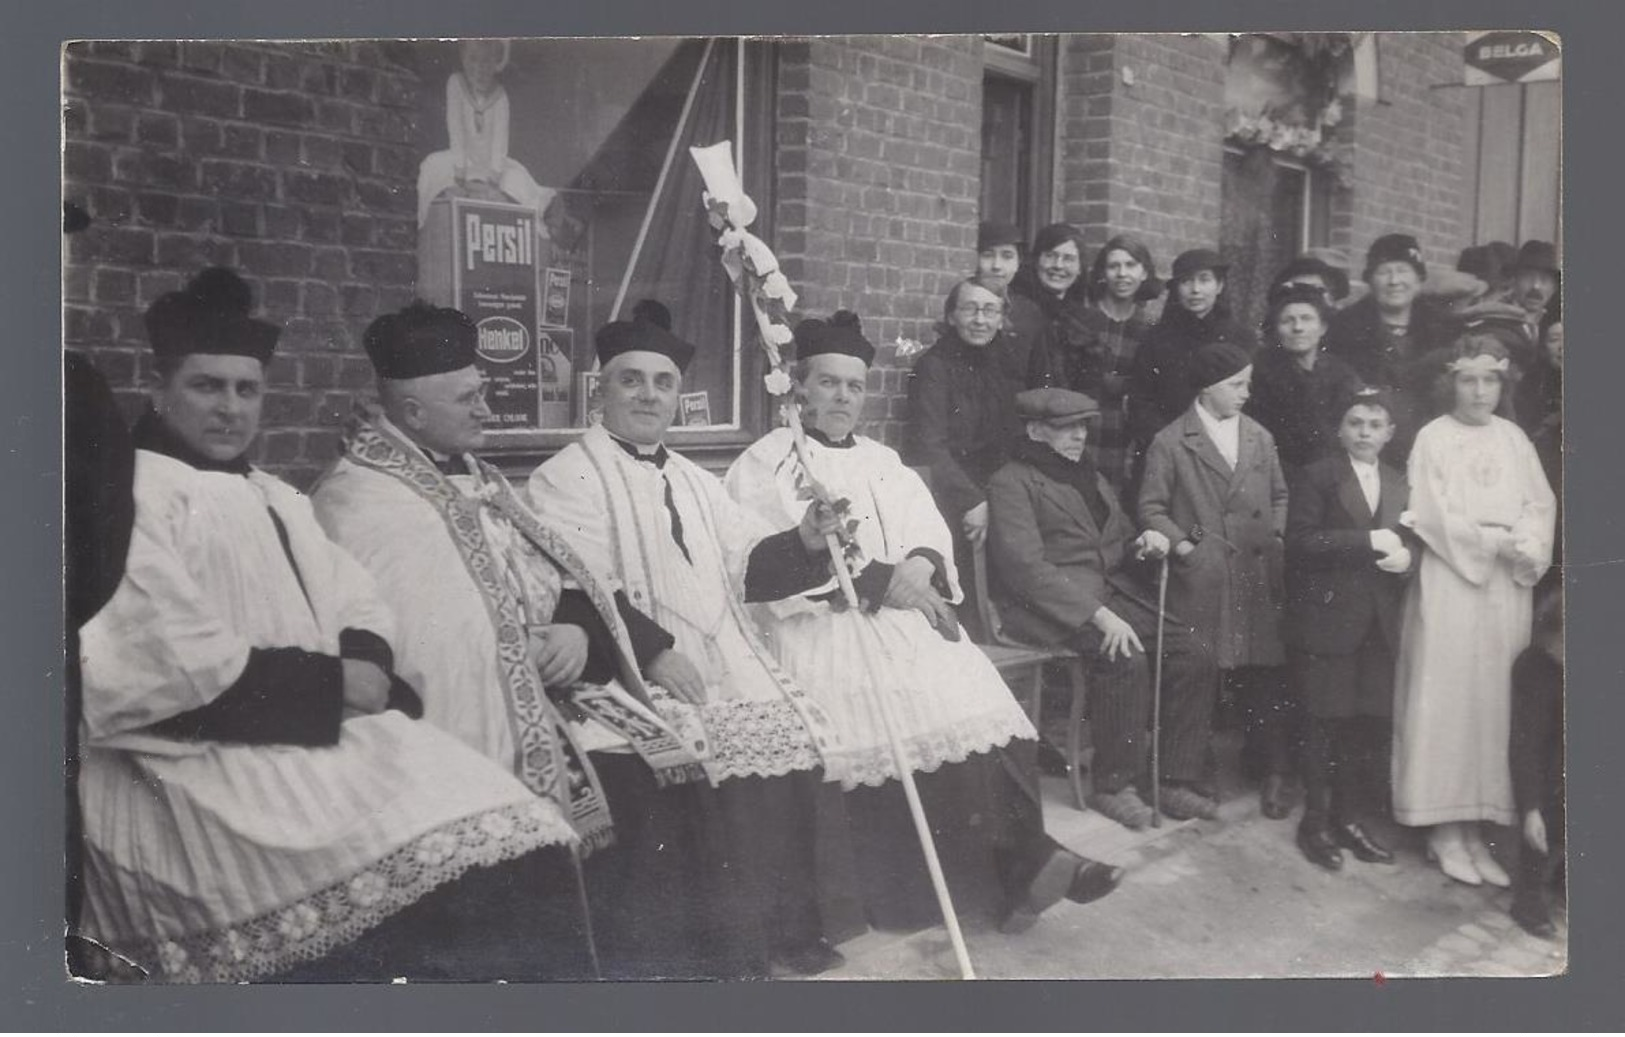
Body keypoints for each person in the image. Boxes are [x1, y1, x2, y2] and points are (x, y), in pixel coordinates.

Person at [75, 268, 585, 983]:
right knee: (453, 865)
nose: (230, 408)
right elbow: (158, 657)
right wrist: (334, 683)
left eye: (246, 389)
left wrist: (366, 661)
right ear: (159, 391)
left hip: (312, 732)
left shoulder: (274, 494)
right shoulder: (134, 494)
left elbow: (357, 596)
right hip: (189, 761)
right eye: (206, 386)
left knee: (520, 830)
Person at [310, 301, 759, 979]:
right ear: (410, 412)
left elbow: (561, 577)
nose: (487, 410)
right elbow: (419, 638)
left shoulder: (476, 476)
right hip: (449, 725)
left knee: (673, 762)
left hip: (544, 690)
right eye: (469, 397)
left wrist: (575, 633)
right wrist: (522, 652)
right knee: (628, 789)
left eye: (482, 392)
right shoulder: (361, 499)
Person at [725, 313, 1123, 933]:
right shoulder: (769, 462)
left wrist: (921, 562)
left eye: (854, 387)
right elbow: (754, 563)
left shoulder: (885, 460)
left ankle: (1027, 868)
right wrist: (883, 580)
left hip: (906, 617)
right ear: (799, 387)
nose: (842, 398)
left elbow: (927, 529)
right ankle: (930, 891)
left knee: (980, 696)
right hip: (821, 623)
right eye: (828, 383)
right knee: (899, 702)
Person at [527, 315, 854, 976]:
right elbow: (577, 582)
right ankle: (725, 948)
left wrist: (806, 540)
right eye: (632, 381)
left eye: (663, 383)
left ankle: (781, 930)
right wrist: (648, 651)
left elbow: (747, 556)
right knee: (684, 756)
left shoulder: (694, 476)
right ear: (600, 390)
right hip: (619, 662)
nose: (648, 395)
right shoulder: (565, 476)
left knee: (791, 734)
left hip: (718, 647)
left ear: (677, 395)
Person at [988, 387, 1218, 829]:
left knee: (1194, 652)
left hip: (1110, 594)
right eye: (1065, 429)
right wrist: (1097, 615)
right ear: (1036, 431)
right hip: (1046, 608)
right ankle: (1113, 785)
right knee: (1123, 656)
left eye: (1081, 427)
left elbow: (1114, 544)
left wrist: (1143, 546)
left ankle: (1172, 779)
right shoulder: (1012, 482)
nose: (1078, 437)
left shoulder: (1087, 476)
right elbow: (1025, 570)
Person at [1392, 334, 1556, 886]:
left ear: (1502, 384)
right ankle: (1442, 830)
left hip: (1505, 588)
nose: (1480, 390)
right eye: (1469, 379)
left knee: (1491, 702)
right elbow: (1428, 513)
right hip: (1452, 579)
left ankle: (1476, 826)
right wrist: (1490, 543)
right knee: (1448, 697)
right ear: (1451, 383)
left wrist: (1528, 544)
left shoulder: (1513, 439)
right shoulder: (1433, 439)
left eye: (1490, 380)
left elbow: (1539, 504)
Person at [1138, 343, 1290, 820]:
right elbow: (1151, 507)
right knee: (1200, 670)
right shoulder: (1172, 440)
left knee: (1262, 671)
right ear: (1208, 387)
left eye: (1247, 383)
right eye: (1236, 384)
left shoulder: (1259, 437)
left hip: (1255, 569)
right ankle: (1189, 767)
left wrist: (1275, 533)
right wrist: (1189, 545)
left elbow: (1280, 493)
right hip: (1205, 569)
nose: (1247, 392)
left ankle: (1270, 770)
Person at [1283, 387, 1412, 872]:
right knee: (1324, 720)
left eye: (1375, 425)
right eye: (1355, 423)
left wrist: (1407, 562)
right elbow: (1299, 543)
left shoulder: (1400, 482)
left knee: (1364, 726)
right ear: (1340, 429)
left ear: (1389, 434)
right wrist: (1365, 541)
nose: (1364, 433)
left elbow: (1411, 541)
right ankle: (1314, 821)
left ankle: (1348, 818)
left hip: (1378, 624)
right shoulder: (1318, 476)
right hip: (1330, 618)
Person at [904, 278, 1027, 637]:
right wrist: (971, 499)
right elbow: (929, 446)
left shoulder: (1001, 365)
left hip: (993, 490)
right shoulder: (934, 367)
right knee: (966, 593)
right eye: (970, 309)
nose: (979, 319)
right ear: (951, 316)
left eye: (990, 310)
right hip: (949, 493)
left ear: (1002, 318)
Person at [1030, 233, 1163, 493]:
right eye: (1113, 266)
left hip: (1124, 433)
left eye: (1130, 265)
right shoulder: (1080, 319)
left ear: (1144, 272)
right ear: (1103, 273)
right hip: (1083, 425)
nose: (1122, 274)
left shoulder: (1150, 329)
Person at [1324, 233, 1460, 462]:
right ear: (1370, 280)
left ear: (1418, 279)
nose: (1394, 281)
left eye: (1403, 270)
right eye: (1384, 272)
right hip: (1368, 450)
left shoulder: (1444, 328)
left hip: (1432, 449)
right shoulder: (1345, 329)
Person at [1129, 248, 1259, 459]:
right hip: (1169, 451)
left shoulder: (1243, 339)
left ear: (1219, 286)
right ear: (1177, 289)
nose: (1195, 289)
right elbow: (1141, 401)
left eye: (1204, 280)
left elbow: (1251, 400)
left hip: (1225, 450)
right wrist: (1171, 444)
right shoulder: (1156, 339)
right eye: (1186, 281)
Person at [415, 38, 557, 231]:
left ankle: (545, 215)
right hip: (460, 160)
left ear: (495, 63)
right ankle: (427, 227)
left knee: (519, 181)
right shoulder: (455, 84)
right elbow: (456, 130)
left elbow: (500, 143)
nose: (479, 68)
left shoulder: (500, 97)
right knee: (431, 168)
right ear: (463, 59)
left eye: (486, 61)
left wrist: (493, 183)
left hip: (490, 165)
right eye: (473, 60)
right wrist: (460, 177)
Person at [1246, 283, 1363, 475]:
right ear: (1276, 328)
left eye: (1306, 319)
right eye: (1287, 321)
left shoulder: (1342, 374)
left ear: (1322, 327)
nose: (1298, 328)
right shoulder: (1259, 375)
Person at [1509, 590, 1564, 938]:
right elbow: (1527, 745)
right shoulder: (1535, 668)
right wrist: (1530, 810)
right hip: (1552, 768)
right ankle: (1528, 895)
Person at [973, 219, 1044, 384]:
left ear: (1018, 263)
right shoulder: (963, 307)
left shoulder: (1028, 313)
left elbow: (1039, 376)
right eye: (988, 255)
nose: (997, 265)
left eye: (1007, 256)